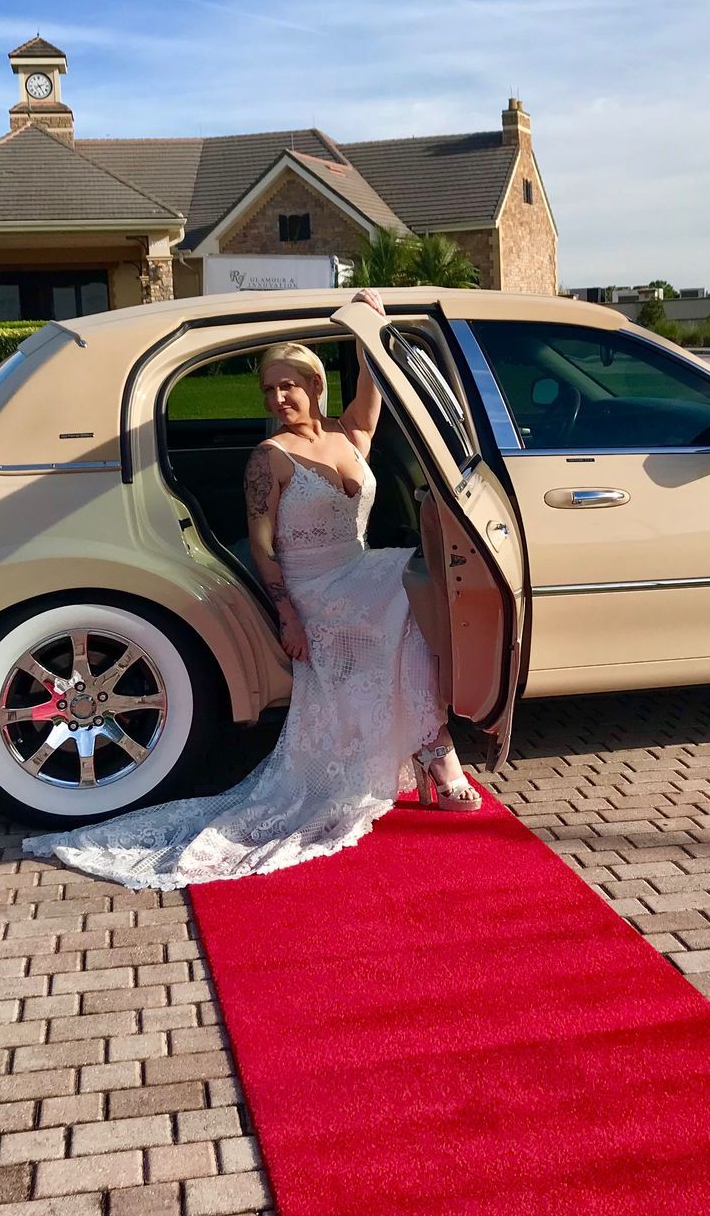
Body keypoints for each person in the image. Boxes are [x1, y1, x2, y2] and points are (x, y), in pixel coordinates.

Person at [25, 288, 479, 890]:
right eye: (269, 389)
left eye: (289, 385)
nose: (278, 398)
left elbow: (373, 383)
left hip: (360, 569)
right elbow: (262, 546)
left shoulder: (350, 435)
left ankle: (428, 741)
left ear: (316, 385)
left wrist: (369, 326)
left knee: (422, 583)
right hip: (312, 587)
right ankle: (436, 749)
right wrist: (288, 615)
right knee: (406, 593)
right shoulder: (269, 458)